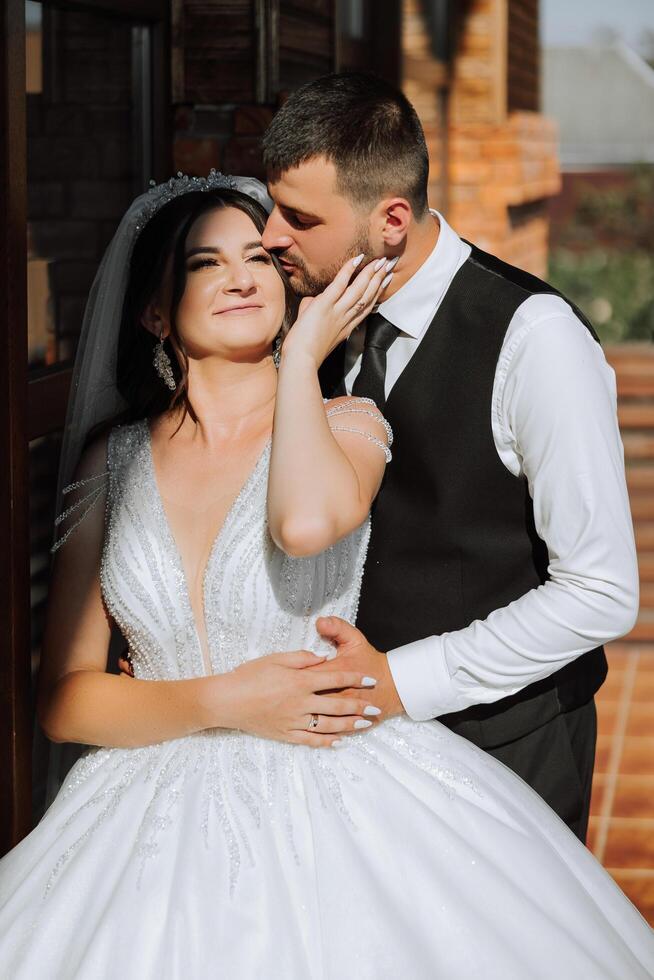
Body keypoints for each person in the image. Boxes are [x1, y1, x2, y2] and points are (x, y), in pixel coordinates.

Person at [0, 173, 652, 980]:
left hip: (335, 783)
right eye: (207, 263)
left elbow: (307, 524)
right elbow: (66, 701)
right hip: (141, 806)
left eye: (258, 259)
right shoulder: (114, 460)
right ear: (155, 312)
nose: (242, 277)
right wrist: (220, 699)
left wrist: (305, 354)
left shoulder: (350, 422)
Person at [256, 70, 641, 842]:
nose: (270, 235)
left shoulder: (536, 340)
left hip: (502, 748)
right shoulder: (302, 320)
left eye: (299, 217)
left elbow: (600, 591)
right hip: (343, 756)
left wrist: (399, 681)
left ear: (390, 219)